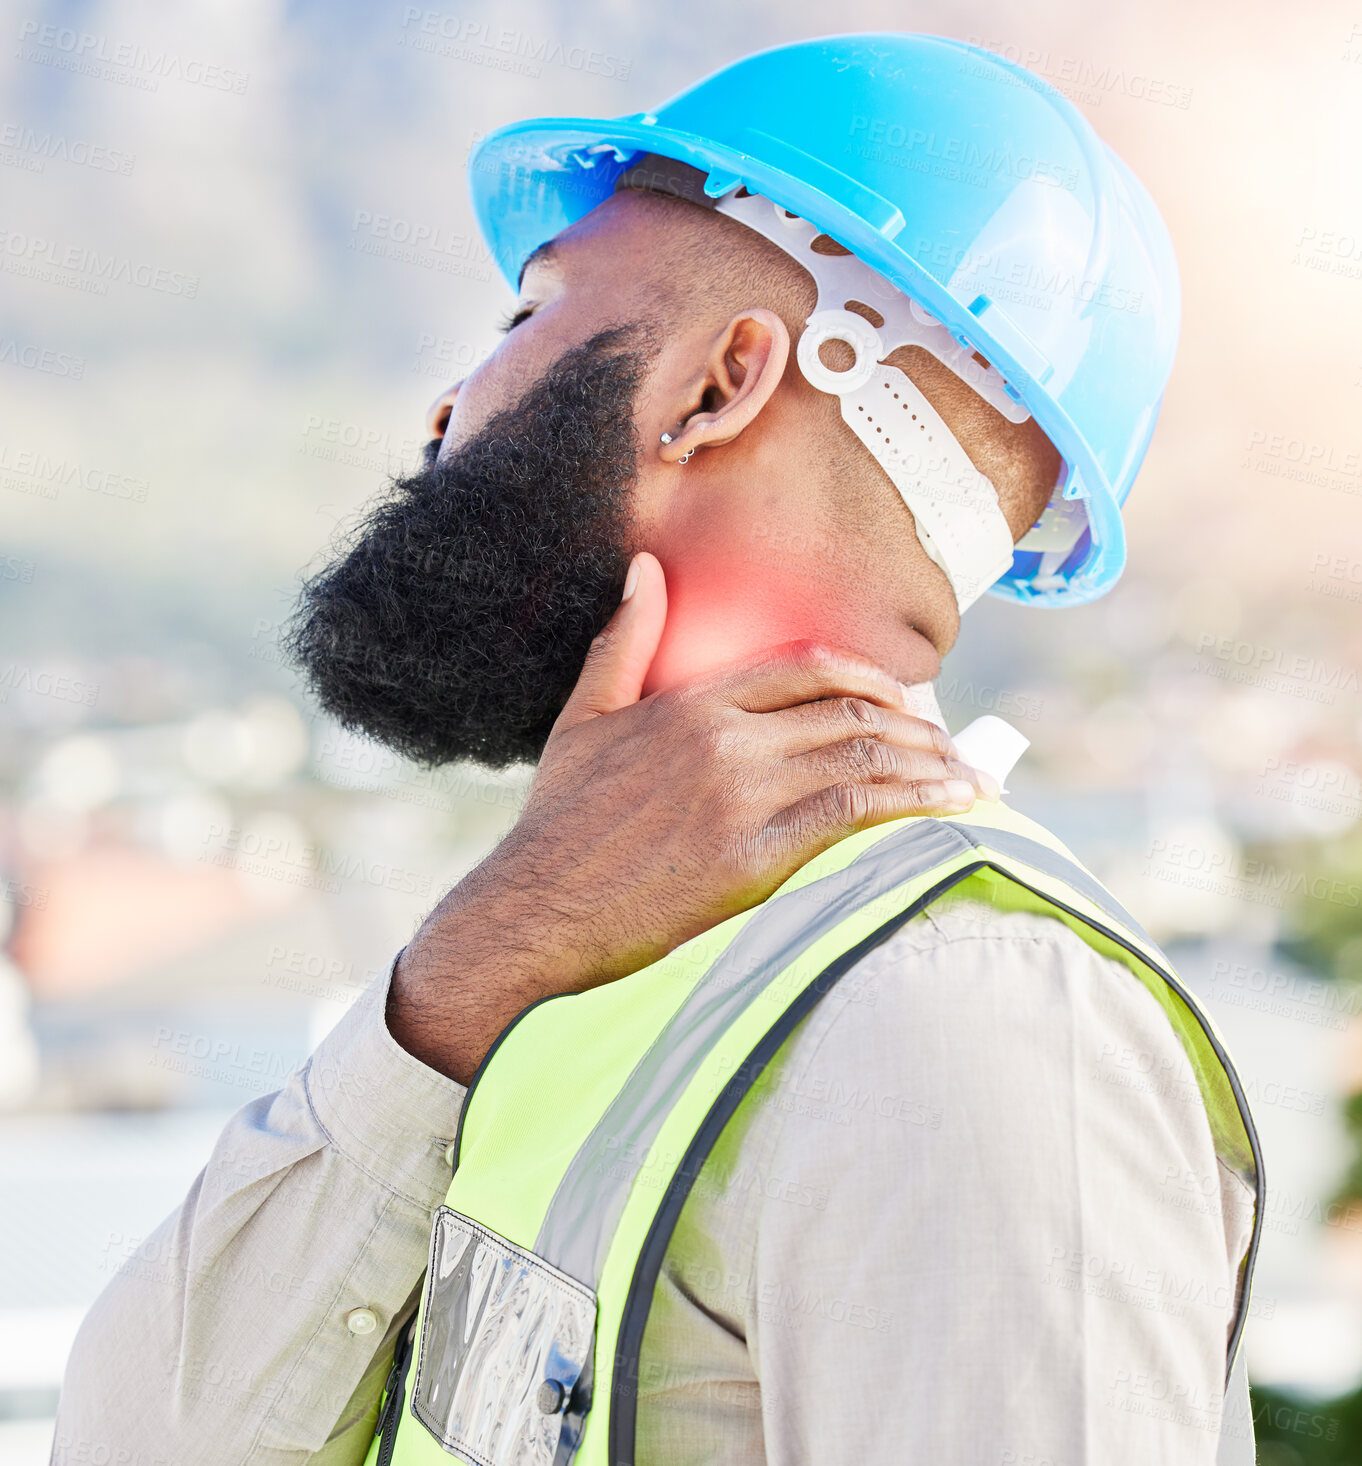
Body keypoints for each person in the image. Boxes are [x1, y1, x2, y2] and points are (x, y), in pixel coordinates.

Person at [53, 33, 1261, 1466]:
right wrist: (476, 963)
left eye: (528, 312)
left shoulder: (969, 1019)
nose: (448, 406)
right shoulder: (556, 947)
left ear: (718, 386)